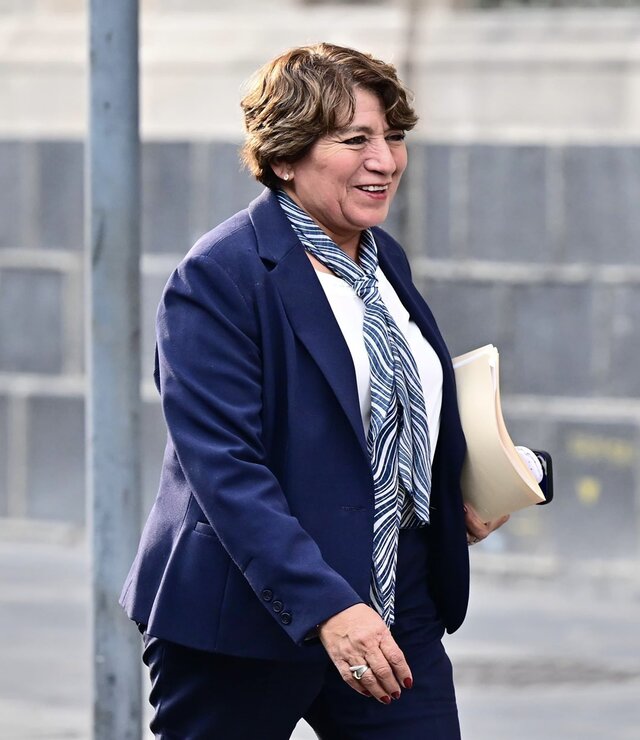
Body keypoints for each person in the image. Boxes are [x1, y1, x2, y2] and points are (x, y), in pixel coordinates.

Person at [120, 42, 549, 739]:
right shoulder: (220, 277)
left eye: (394, 137)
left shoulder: (383, 261)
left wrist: (478, 483)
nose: (385, 160)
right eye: (355, 140)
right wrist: (328, 609)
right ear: (285, 157)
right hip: (248, 618)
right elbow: (225, 470)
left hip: (393, 604)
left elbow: (388, 418)